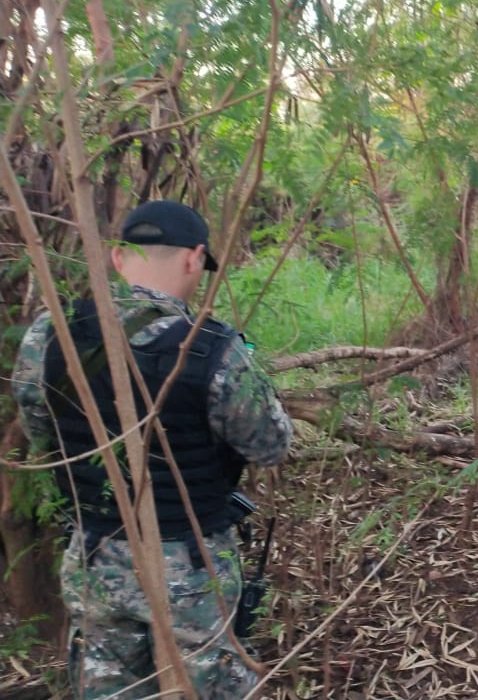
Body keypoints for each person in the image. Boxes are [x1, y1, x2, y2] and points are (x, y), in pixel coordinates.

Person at [12, 199, 293, 699]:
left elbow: (41, 431)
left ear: (117, 259)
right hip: (190, 565)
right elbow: (270, 446)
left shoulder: (50, 333)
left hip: (95, 556)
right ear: (194, 259)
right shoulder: (213, 349)